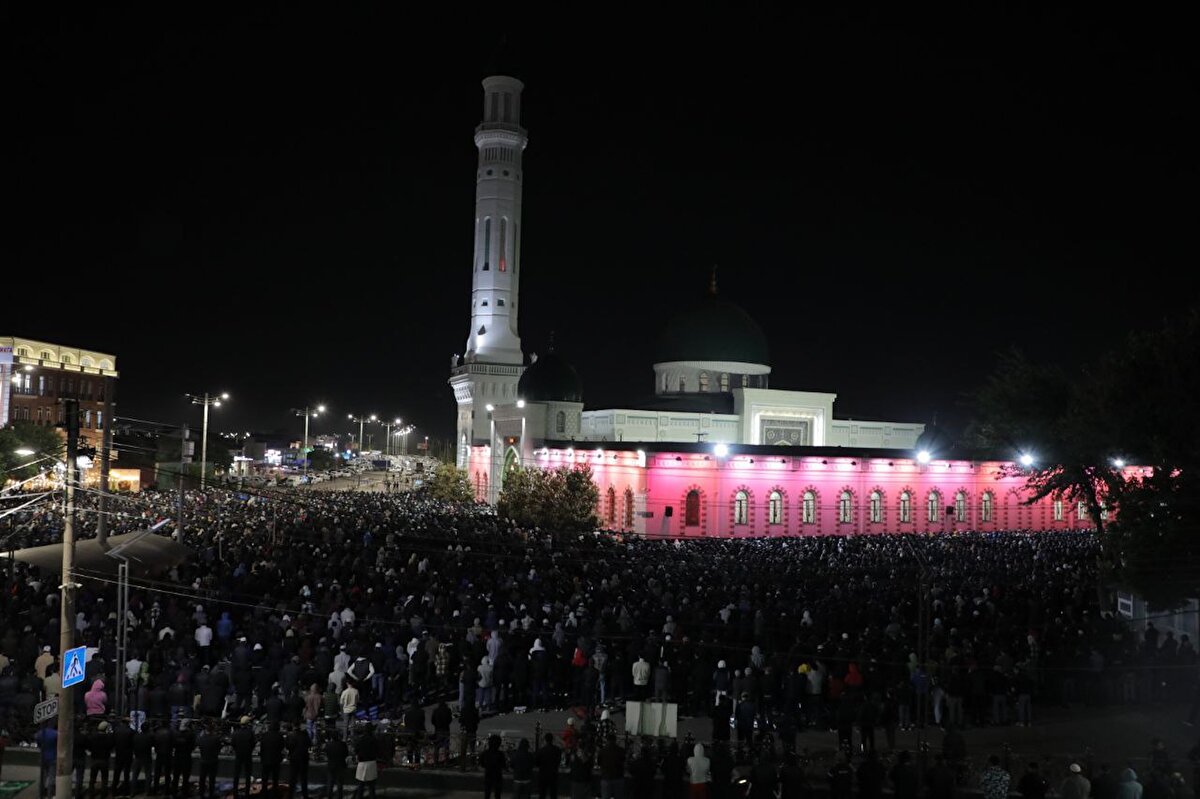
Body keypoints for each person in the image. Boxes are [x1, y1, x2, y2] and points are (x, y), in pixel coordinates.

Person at [231, 716, 256, 798]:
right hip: (247, 755)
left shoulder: (235, 733)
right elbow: (253, 744)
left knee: (236, 775)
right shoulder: (250, 733)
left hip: (238, 755)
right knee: (248, 775)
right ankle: (247, 794)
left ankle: (235, 793)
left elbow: (233, 744)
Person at [353, 723, 380, 799]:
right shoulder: (374, 739)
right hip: (371, 763)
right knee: (371, 786)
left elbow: (356, 750)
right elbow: (377, 751)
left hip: (362, 763)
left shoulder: (360, 739)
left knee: (361, 785)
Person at [171, 719, 197, 797]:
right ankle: (184, 793)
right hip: (186, 757)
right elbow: (193, 746)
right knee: (186, 777)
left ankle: (174, 793)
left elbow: (173, 745)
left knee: (176, 776)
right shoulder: (191, 734)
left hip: (177, 757)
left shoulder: (175, 734)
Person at [260, 721, 286, 795]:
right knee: (275, 777)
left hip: (265, 759)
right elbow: (282, 747)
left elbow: (262, 746)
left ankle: (264, 790)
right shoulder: (279, 736)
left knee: (265, 777)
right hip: (276, 759)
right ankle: (275, 790)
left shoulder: (265, 735)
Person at [197, 722, 222, 799]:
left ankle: (201, 794)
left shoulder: (201, 738)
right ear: (213, 730)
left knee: (202, 778)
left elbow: (200, 747)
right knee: (212, 779)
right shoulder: (216, 738)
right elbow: (219, 748)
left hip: (203, 760)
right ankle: (211, 794)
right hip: (213, 760)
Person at [289, 722, 313, 799]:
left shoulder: (291, 735)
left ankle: (290, 795)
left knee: (293, 778)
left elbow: (288, 746)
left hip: (294, 758)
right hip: (303, 758)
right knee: (303, 779)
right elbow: (310, 744)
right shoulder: (304, 735)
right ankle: (305, 795)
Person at [112, 717, 134, 797]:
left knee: (116, 773)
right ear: (128, 723)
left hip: (119, 754)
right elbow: (133, 743)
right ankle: (125, 791)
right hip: (127, 755)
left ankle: (114, 791)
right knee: (126, 774)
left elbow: (113, 742)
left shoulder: (116, 730)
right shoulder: (131, 731)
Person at [600, 734, 627, 799]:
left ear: (607, 740)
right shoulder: (621, 750)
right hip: (618, 777)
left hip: (606, 777)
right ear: (615, 740)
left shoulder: (602, 751)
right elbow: (624, 762)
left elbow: (599, 763)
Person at [537, 732, 562, 799]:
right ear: (552, 740)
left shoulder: (541, 750)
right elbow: (559, 761)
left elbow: (537, 763)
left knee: (542, 793)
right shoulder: (557, 750)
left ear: (545, 740)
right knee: (553, 793)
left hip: (543, 774)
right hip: (553, 773)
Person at [326, 728, 350, 799]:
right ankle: (339, 797)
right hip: (340, 765)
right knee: (339, 784)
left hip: (331, 765)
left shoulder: (328, 745)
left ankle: (329, 796)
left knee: (330, 783)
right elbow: (346, 754)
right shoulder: (342, 744)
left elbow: (327, 754)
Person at [481, 734, 506, 799]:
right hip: (497, 775)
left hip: (488, 774)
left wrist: (486, 766)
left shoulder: (485, 753)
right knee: (497, 794)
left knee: (487, 793)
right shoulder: (500, 754)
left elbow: (481, 763)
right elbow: (503, 765)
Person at [36, 723, 56, 799]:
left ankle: (41, 794)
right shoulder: (55, 734)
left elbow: (38, 744)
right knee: (51, 778)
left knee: (43, 777)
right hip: (52, 757)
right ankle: (49, 795)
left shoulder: (40, 733)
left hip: (43, 757)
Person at [431, 699, 453, 764]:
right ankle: (446, 761)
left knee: (436, 747)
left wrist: (437, 725)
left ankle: (436, 761)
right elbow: (450, 720)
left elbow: (432, 721)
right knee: (446, 746)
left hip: (438, 730)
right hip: (446, 730)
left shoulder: (435, 711)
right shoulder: (448, 710)